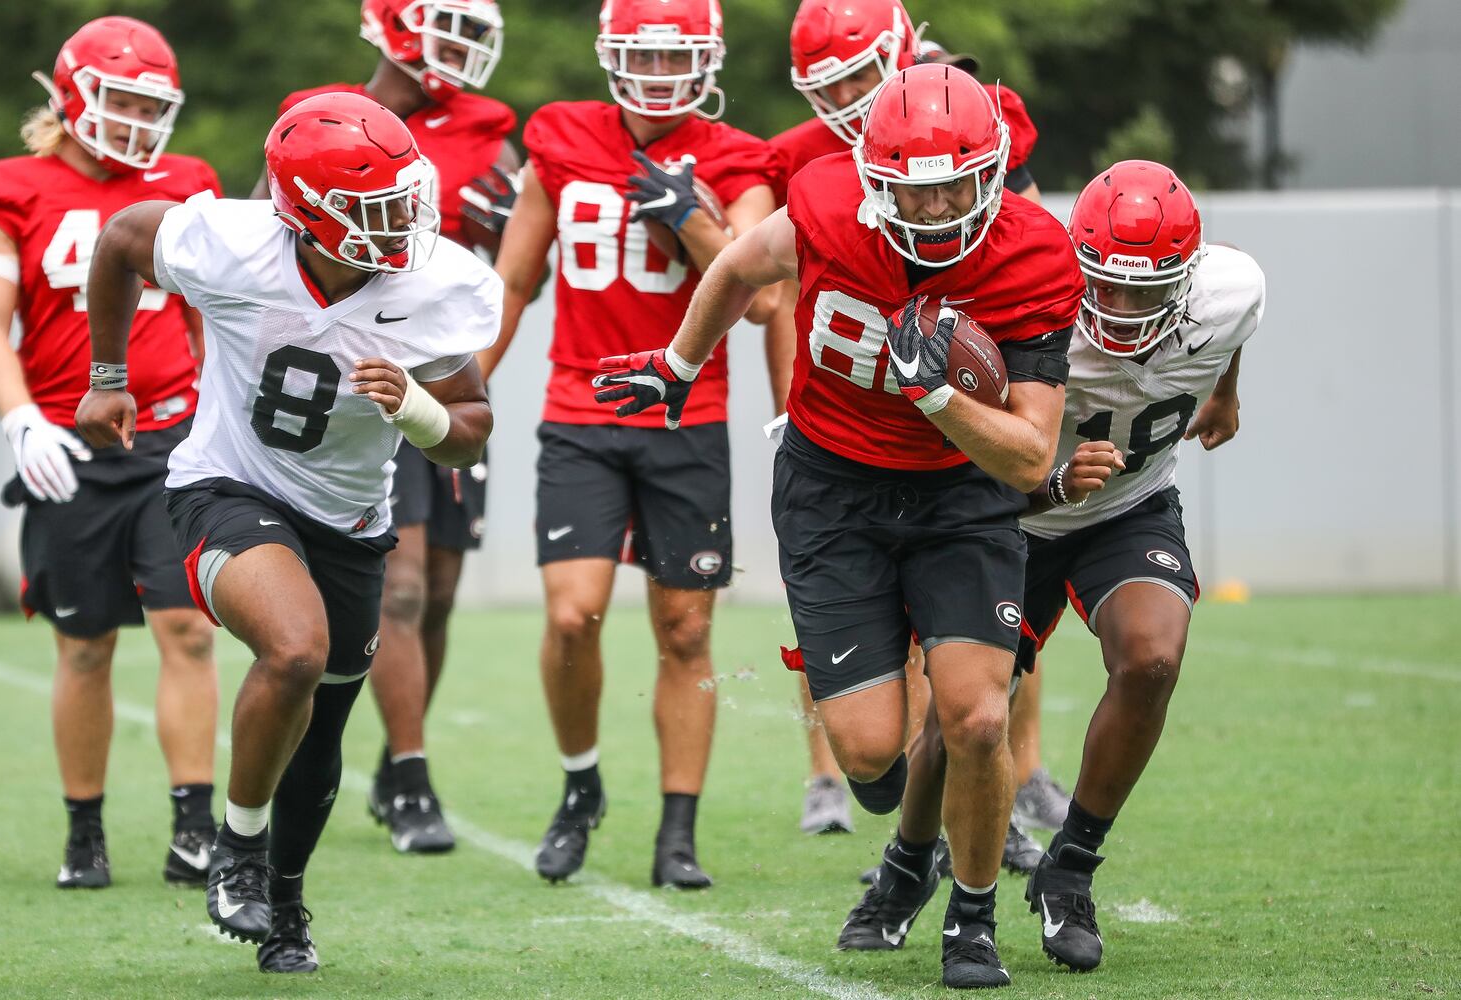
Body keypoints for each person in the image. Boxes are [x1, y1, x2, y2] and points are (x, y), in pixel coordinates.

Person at [595, 64, 1082, 988]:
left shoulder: (1034, 253)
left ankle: (972, 919)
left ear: (993, 173)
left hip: (960, 495)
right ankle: (905, 854)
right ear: (871, 177)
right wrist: (679, 363)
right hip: (833, 490)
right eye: (913, 187)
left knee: (977, 716)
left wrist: (938, 398)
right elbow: (739, 265)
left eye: (956, 184)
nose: (935, 206)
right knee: (869, 758)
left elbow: (1028, 457)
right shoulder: (828, 204)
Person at [75, 91, 499, 973]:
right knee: (296, 648)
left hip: (351, 521)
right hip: (229, 486)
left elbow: (471, 430)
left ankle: (287, 903)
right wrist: (107, 377)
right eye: (376, 207)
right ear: (307, 212)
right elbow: (120, 240)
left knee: (323, 723)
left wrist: (419, 411)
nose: (402, 221)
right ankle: (237, 846)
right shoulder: (233, 243)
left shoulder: (429, 284)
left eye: (404, 198)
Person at [837, 159, 1265, 977]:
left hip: (1128, 506)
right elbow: (968, 452)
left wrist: (1224, 392)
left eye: (1146, 291)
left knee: (1152, 660)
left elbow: (1236, 318)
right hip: (1011, 519)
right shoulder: (1032, 306)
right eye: (1108, 287)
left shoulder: (1230, 291)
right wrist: (1052, 483)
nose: (1123, 308)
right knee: (962, 723)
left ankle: (1070, 867)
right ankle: (908, 863)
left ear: (1186, 277)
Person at [478, 0, 778, 888]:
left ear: (707, 61)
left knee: (685, 629)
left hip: (688, 418)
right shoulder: (562, 136)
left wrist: (693, 219)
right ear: (611, 57)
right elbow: (514, 280)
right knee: (572, 614)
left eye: (674, 57)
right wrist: (466, 388)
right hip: (583, 409)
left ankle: (677, 831)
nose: (656, 74)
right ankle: (581, 787)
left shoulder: (739, 157)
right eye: (640, 56)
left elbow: (763, 299)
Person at [768, 0, 1059, 848]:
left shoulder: (980, 122)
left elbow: (1026, 247)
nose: (848, 97)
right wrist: (782, 403)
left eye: (861, 74)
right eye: (830, 85)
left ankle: (1014, 778)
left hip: (962, 444)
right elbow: (768, 283)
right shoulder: (810, 165)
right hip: (843, 433)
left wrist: (970, 394)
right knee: (871, 696)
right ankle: (853, 777)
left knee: (975, 676)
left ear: (901, 48)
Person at [0, 15, 220, 891]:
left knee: (189, 628)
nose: (139, 122)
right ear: (73, 95)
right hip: (66, 447)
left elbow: (210, 316)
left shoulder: (186, 182)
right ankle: (85, 832)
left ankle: (195, 828)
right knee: (83, 644)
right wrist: (20, 421)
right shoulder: (7, 190)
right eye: (123, 101)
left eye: (152, 106)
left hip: (172, 437)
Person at [260, 0, 516, 856]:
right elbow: (268, 249)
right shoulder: (321, 120)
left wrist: (508, 228)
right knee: (399, 590)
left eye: (475, 32)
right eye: (451, 25)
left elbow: (514, 273)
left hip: (438, 384)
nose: (465, 47)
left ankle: (397, 759)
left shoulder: (491, 135)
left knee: (435, 593)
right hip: (355, 385)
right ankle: (410, 772)